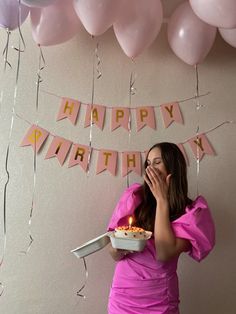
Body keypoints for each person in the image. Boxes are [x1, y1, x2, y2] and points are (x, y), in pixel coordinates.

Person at [107, 142, 215, 314]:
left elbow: (163, 253)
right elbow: (113, 253)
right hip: (123, 298)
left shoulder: (191, 214)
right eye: (148, 164)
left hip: (160, 301)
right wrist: (117, 248)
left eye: (157, 162)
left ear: (173, 168)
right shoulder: (135, 199)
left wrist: (162, 200)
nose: (151, 169)